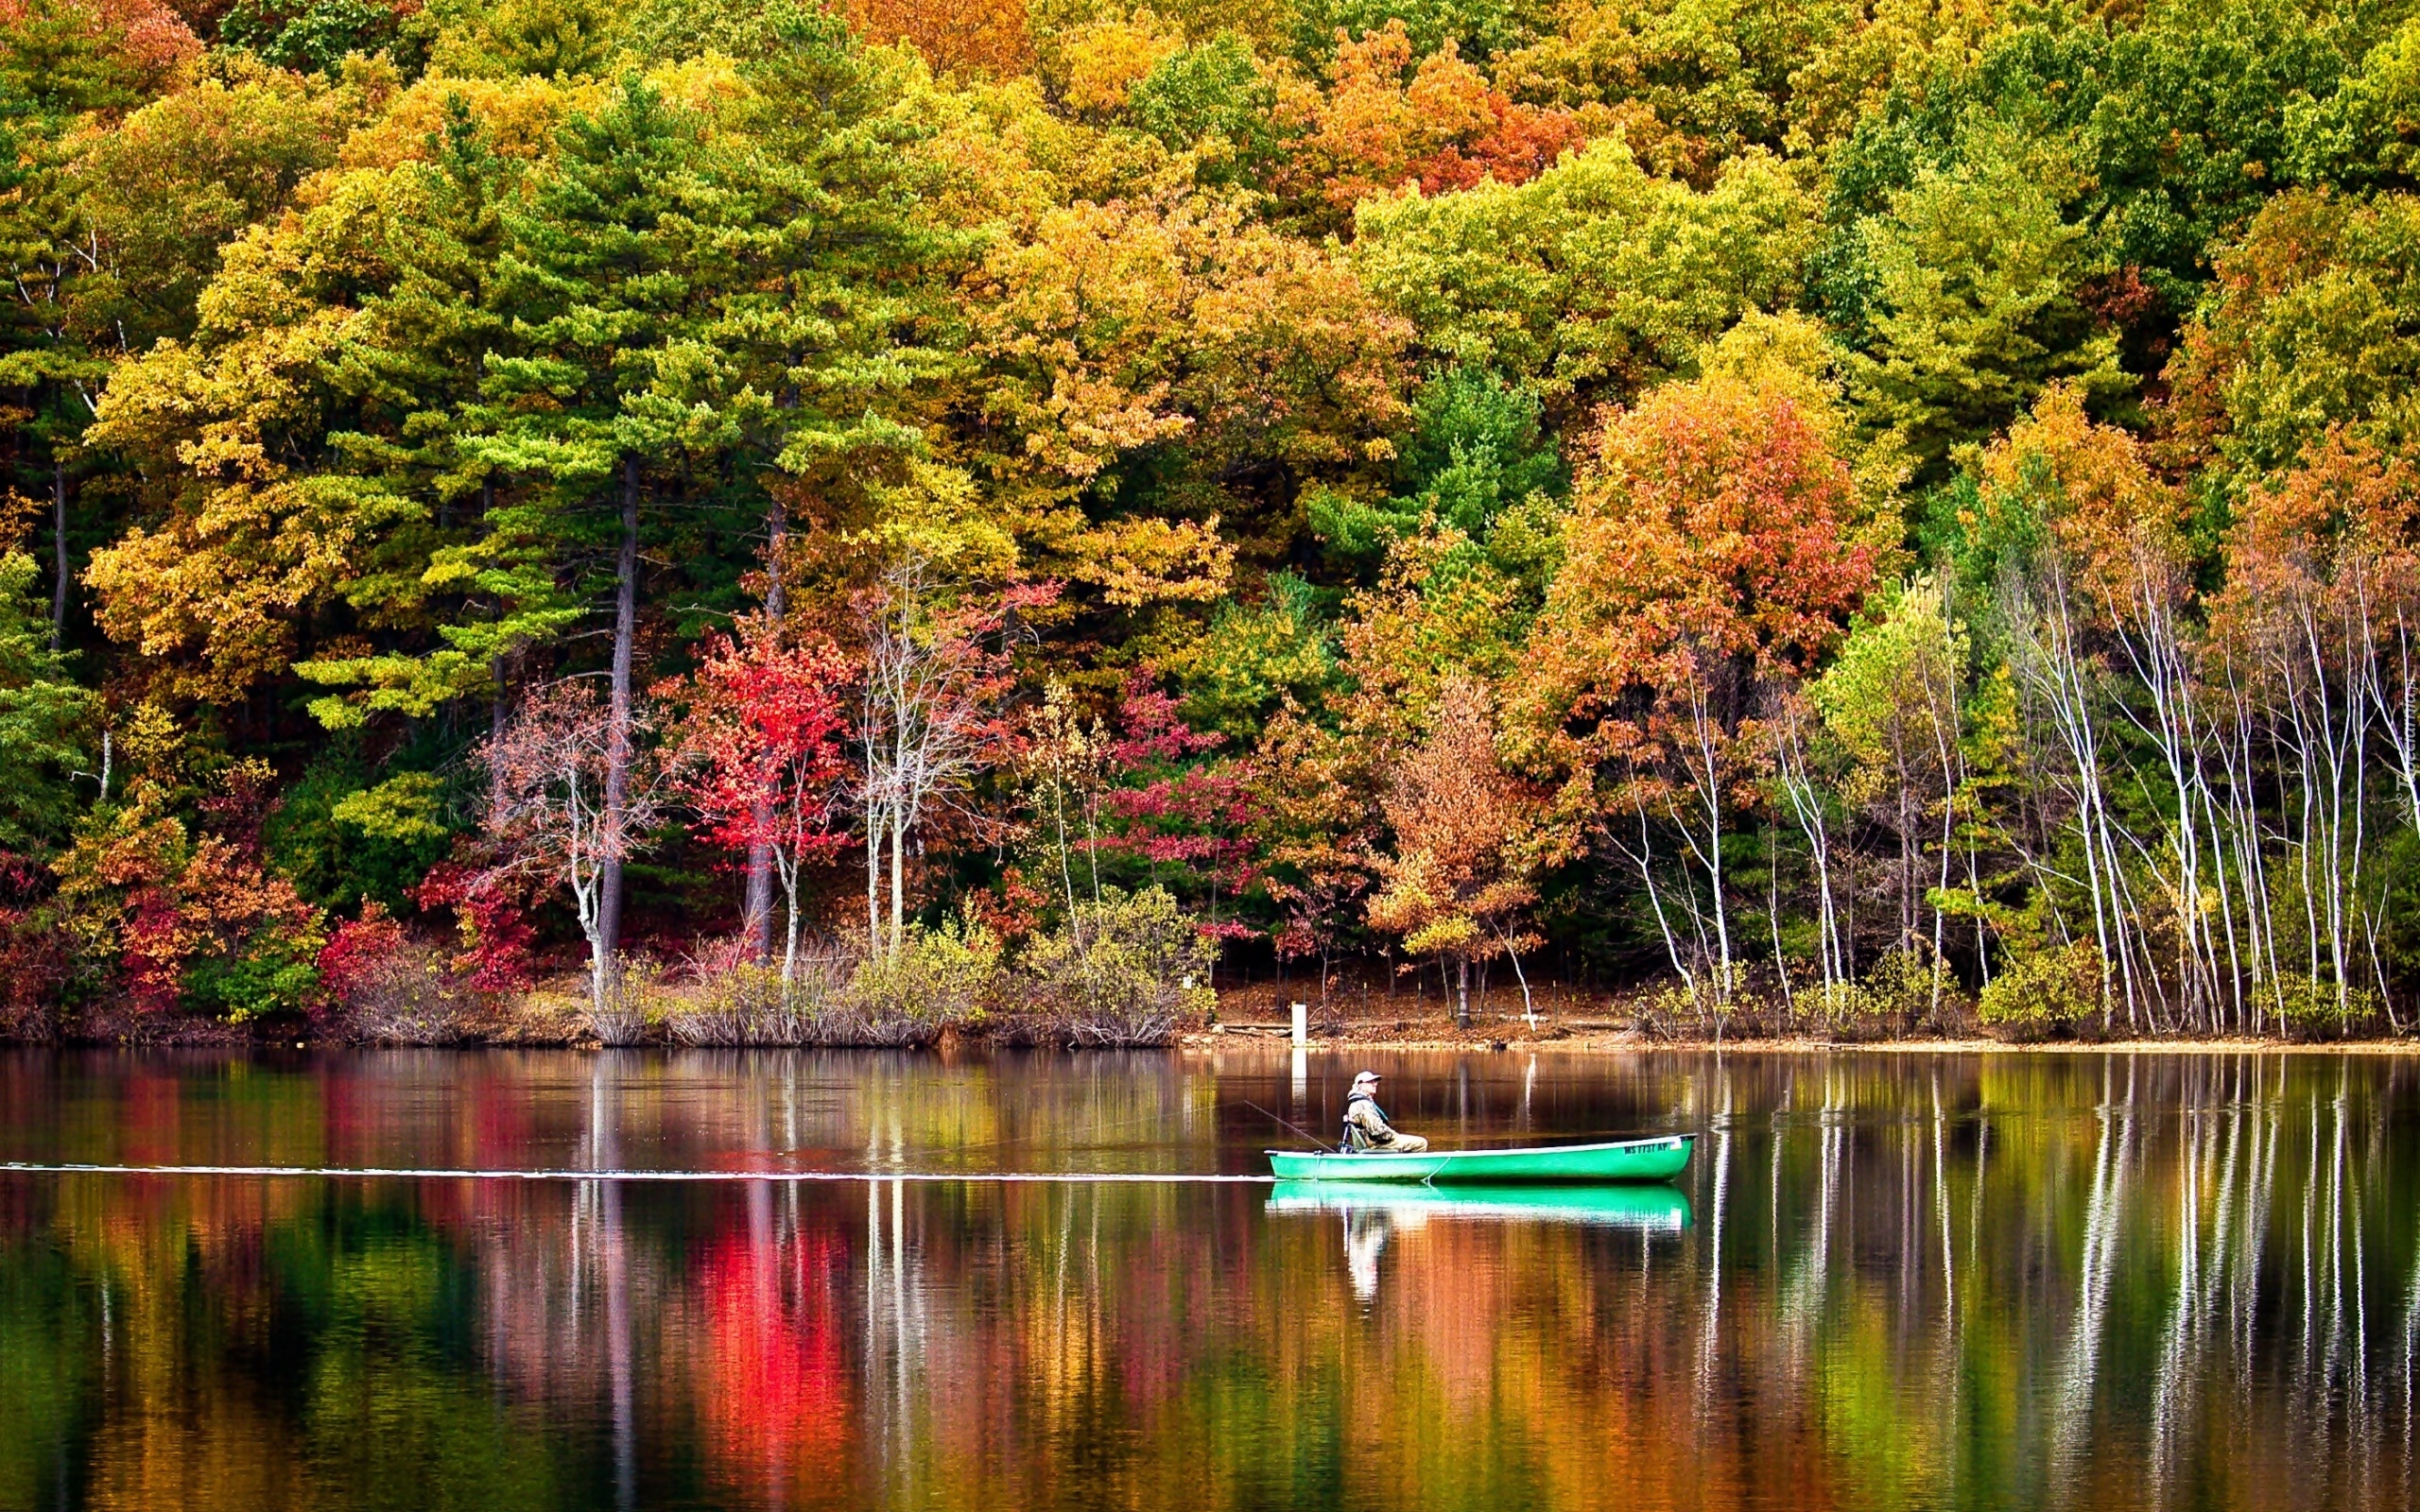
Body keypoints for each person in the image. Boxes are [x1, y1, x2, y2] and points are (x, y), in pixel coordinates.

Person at [1340, 1070, 1427, 1154]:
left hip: (1372, 1142)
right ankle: (1409, 1167)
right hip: (1376, 1144)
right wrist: (1393, 1135)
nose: (1375, 1084)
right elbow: (1377, 1130)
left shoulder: (1358, 1102)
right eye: (1370, 1082)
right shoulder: (1363, 1105)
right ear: (1360, 1085)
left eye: (1375, 1082)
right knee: (1421, 1143)